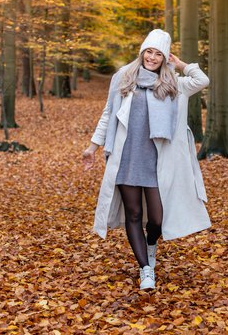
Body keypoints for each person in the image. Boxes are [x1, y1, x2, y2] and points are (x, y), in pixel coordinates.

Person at [83, 29, 212, 290]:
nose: (152, 57)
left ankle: (151, 246)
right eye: (149, 52)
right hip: (126, 157)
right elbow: (108, 114)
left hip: (157, 161)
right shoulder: (123, 78)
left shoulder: (174, 85)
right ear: (142, 52)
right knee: (133, 214)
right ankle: (145, 270)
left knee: (157, 218)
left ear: (165, 58)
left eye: (158, 54)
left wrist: (182, 65)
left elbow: (202, 80)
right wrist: (92, 146)